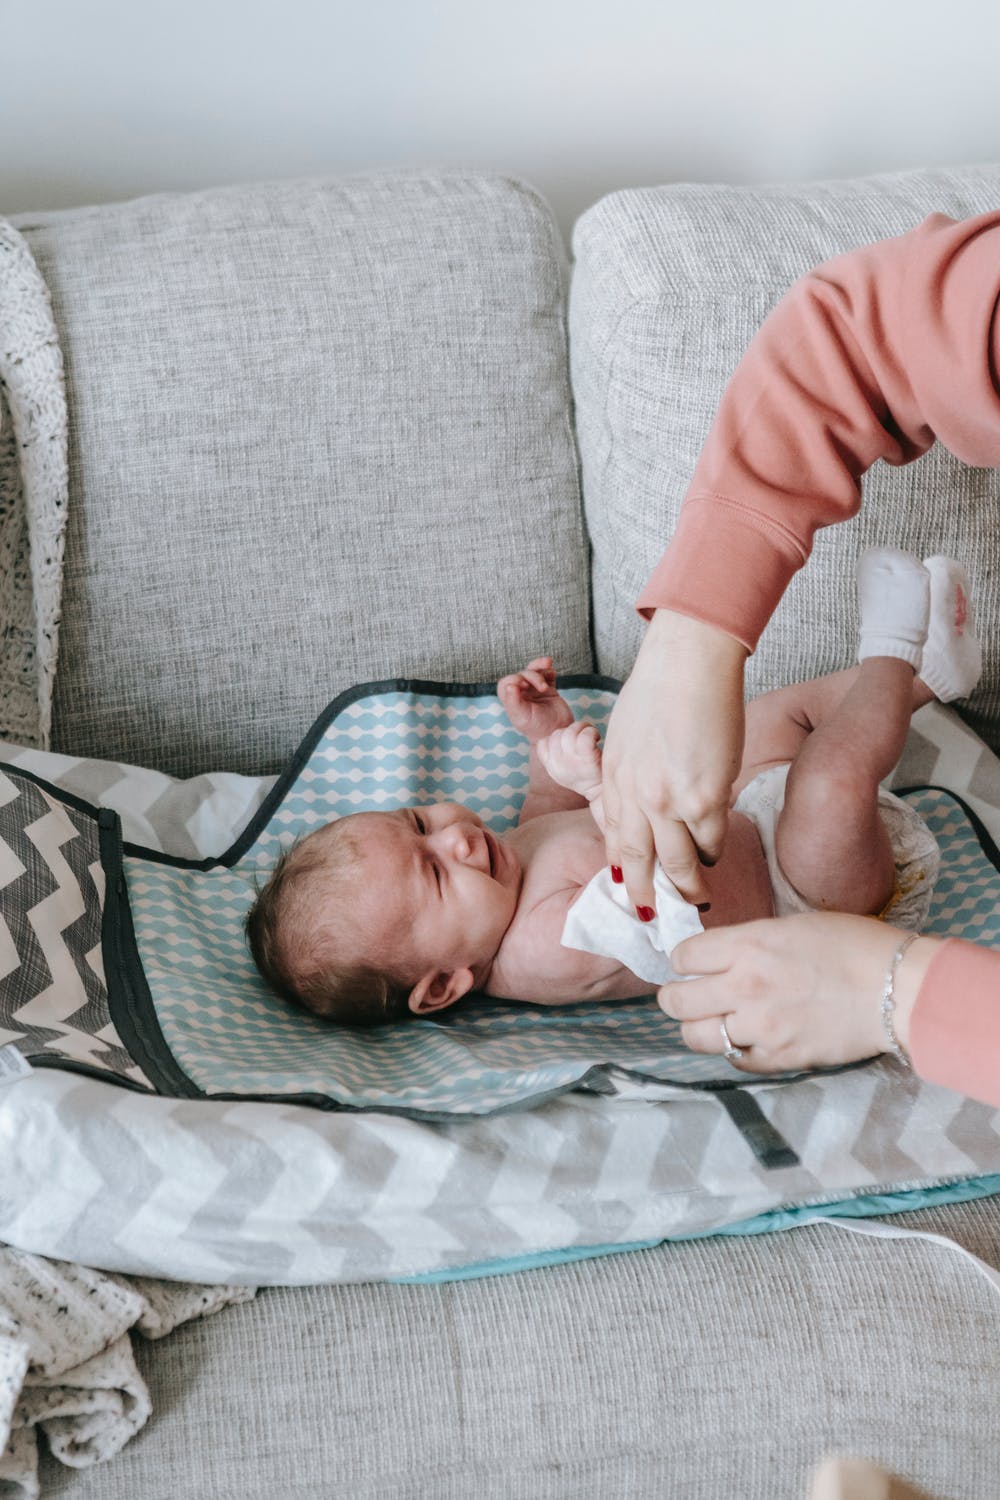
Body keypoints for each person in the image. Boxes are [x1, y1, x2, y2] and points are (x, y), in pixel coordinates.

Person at [599, 207, 1000, 1103]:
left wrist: (893, 991)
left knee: (823, 779)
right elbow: (858, 330)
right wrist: (692, 639)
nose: (462, 845)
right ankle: (915, 668)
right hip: (775, 844)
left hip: (810, 884)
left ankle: (905, 657)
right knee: (782, 741)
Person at [246, 546, 966, 1026]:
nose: (456, 837)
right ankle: (891, 655)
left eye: (417, 821)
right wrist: (604, 791)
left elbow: (549, 811)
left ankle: (934, 677)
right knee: (828, 780)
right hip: (810, 899)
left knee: (767, 718)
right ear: (443, 985)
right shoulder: (541, 952)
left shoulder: (505, 866)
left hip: (749, 816)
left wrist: (545, 736)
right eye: (434, 873)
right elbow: (652, 901)